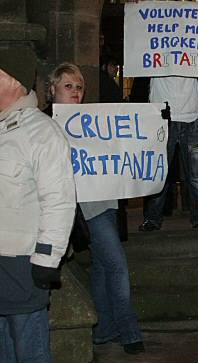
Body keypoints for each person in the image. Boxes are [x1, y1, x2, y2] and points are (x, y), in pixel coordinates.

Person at [45, 63, 145, 355]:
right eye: (68, 86)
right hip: (86, 207)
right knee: (116, 265)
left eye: (79, 87)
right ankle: (129, 332)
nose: (75, 92)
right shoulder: (46, 124)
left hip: (107, 200)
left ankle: (104, 330)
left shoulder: (92, 119)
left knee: (103, 267)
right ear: (52, 90)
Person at [0, 63, 76, 362]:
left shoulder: (42, 132)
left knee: (28, 347)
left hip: (22, 260)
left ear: (13, 82)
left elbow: (58, 201)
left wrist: (47, 258)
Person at [138, 74, 198, 231]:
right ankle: (152, 218)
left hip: (191, 119)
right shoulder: (155, 55)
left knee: (195, 175)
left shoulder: (195, 57)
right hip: (163, 119)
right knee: (160, 174)